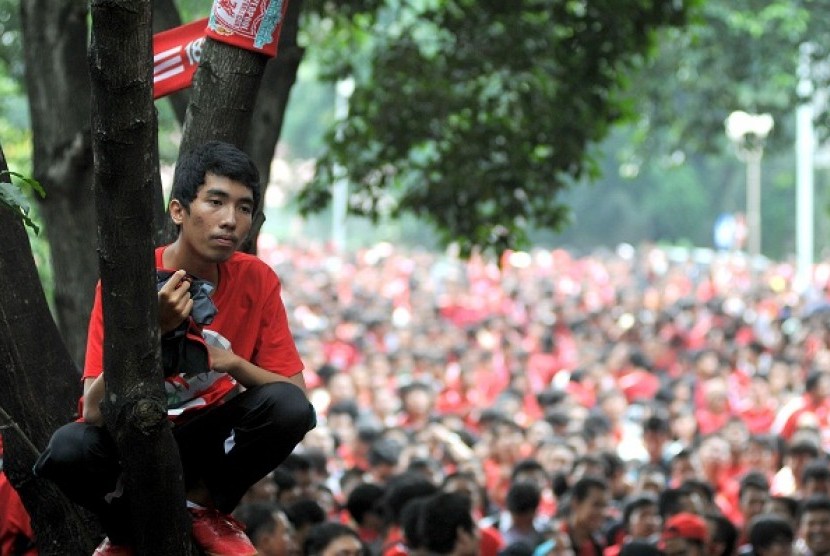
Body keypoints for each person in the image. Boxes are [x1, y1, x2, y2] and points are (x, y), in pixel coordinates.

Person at [33, 141, 316, 555]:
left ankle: (203, 505)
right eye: (216, 202)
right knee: (68, 450)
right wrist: (152, 333)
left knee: (288, 409)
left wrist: (233, 363)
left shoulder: (257, 280)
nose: (230, 221)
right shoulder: (126, 284)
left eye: (243, 208)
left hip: (206, 442)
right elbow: (93, 410)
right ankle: (124, 530)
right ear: (178, 210)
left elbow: (296, 397)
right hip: (133, 438)